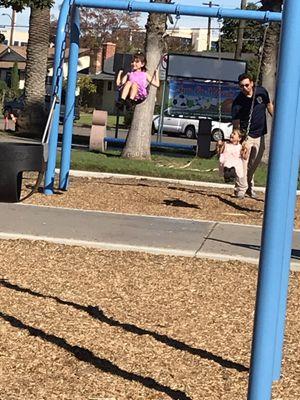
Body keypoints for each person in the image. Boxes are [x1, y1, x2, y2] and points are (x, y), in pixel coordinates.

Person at [230, 72, 274, 199]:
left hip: (260, 134)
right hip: (247, 136)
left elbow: (269, 105)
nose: (245, 88)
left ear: (252, 83)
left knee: (254, 164)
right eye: (242, 86)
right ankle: (240, 190)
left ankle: (248, 186)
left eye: (247, 85)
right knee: (243, 163)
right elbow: (236, 122)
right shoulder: (238, 101)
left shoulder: (261, 92)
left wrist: (277, 119)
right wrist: (237, 139)